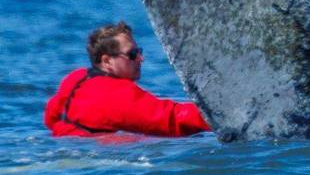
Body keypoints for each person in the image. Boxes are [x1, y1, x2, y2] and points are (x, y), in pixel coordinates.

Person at [44, 22, 211, 138]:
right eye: (132, 54)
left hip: (67, 146)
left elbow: (51, 117)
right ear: (107, 61)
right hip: (98, 156)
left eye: (139, 51)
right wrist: (217, 113)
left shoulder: (76, 78)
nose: (141, 58)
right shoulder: (114, 94)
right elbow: (171, 119)